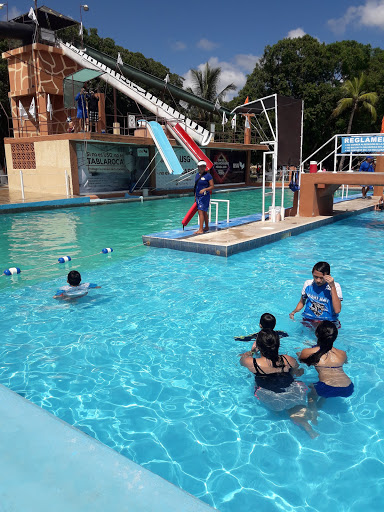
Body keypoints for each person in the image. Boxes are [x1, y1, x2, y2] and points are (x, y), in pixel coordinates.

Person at [239, 329, 317, 438]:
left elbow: (242, 360)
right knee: (294, 409)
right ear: (278, 345)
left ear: (259, 347)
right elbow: (297, 373)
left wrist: (252, 351)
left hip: (270, 397)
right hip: (293, 393)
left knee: (259, 388)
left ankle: (277, 413)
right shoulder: (288, 359)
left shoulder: (251, 362)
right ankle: (306, 425)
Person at [298, 320, 354, 423]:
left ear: (316, 334)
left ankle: (313, 413)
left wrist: (300, 353)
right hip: (348, 387)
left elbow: (302, 361)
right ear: (335, 337)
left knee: (311, 394)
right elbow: (345, 362)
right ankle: (323, 399)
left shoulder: (308, 352)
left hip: (326, 387)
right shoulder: (342, 353)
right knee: (327, 388)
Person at [289, 261, 342, 328]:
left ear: (329, 276)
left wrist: (332, 286)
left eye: (321, 278)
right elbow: (302, 302)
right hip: (309, 319)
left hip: (328, 322)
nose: (318, 280)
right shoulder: (308, 284)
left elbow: (337, 310)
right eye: (315, 277)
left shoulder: (335, 287)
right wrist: (293, 312)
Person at [194, 160, 214, 234]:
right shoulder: (197, 175)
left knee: (201, 211)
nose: (201, 167)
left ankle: (201, 229)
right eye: (200, 166)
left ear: (205, 167)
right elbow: (196, 187)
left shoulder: (208, 175)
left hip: (205, 196)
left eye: (203, 166)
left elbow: (212, 186)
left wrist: (205, 189)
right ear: (198, 167)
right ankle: (206, 227)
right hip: (198, 196)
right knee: (204, 212)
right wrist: (195, 197)